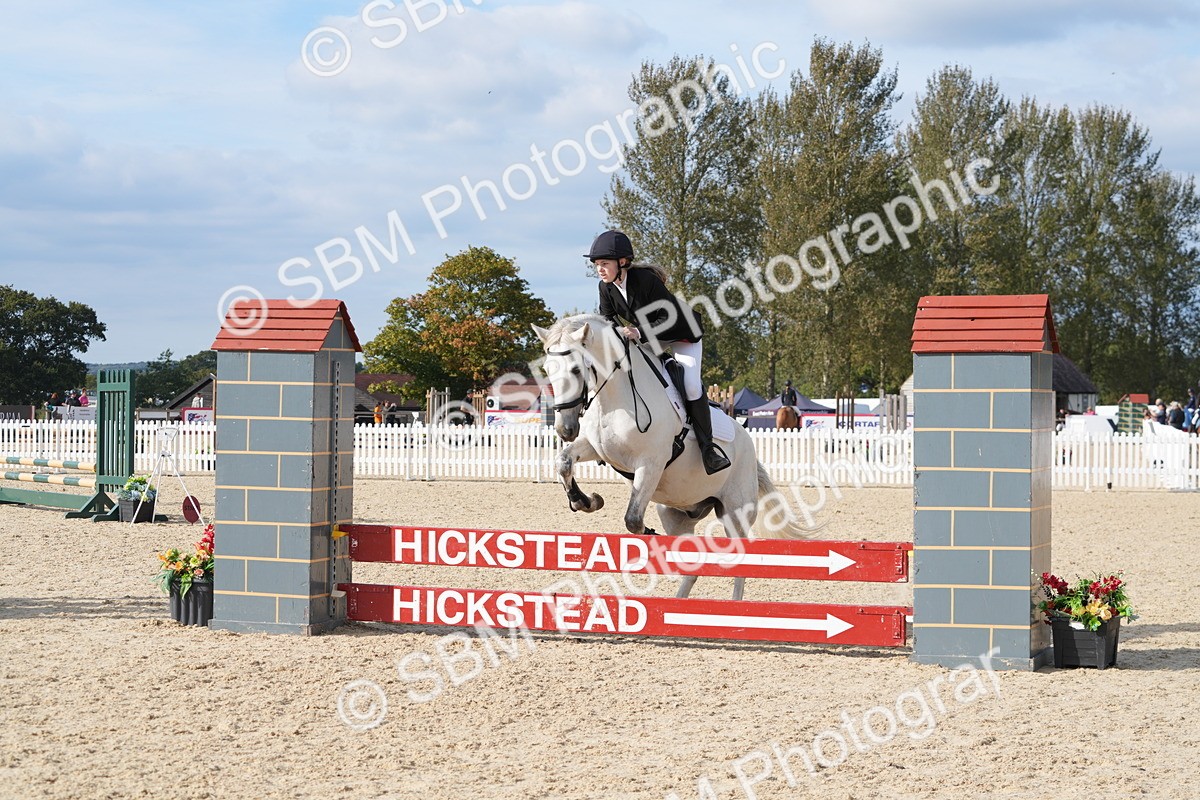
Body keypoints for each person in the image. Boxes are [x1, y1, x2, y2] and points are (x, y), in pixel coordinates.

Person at [589, 229, 730, 474]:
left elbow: (669, 316)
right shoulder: (606, 288)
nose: (599, 269)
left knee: (692, 385)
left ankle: (709, 450)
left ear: (622, 262)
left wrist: (639, 332)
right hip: (651, 337)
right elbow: (607, 319)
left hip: (681, 332)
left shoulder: (644, 280)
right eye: (596, 264)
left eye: (604, 263)